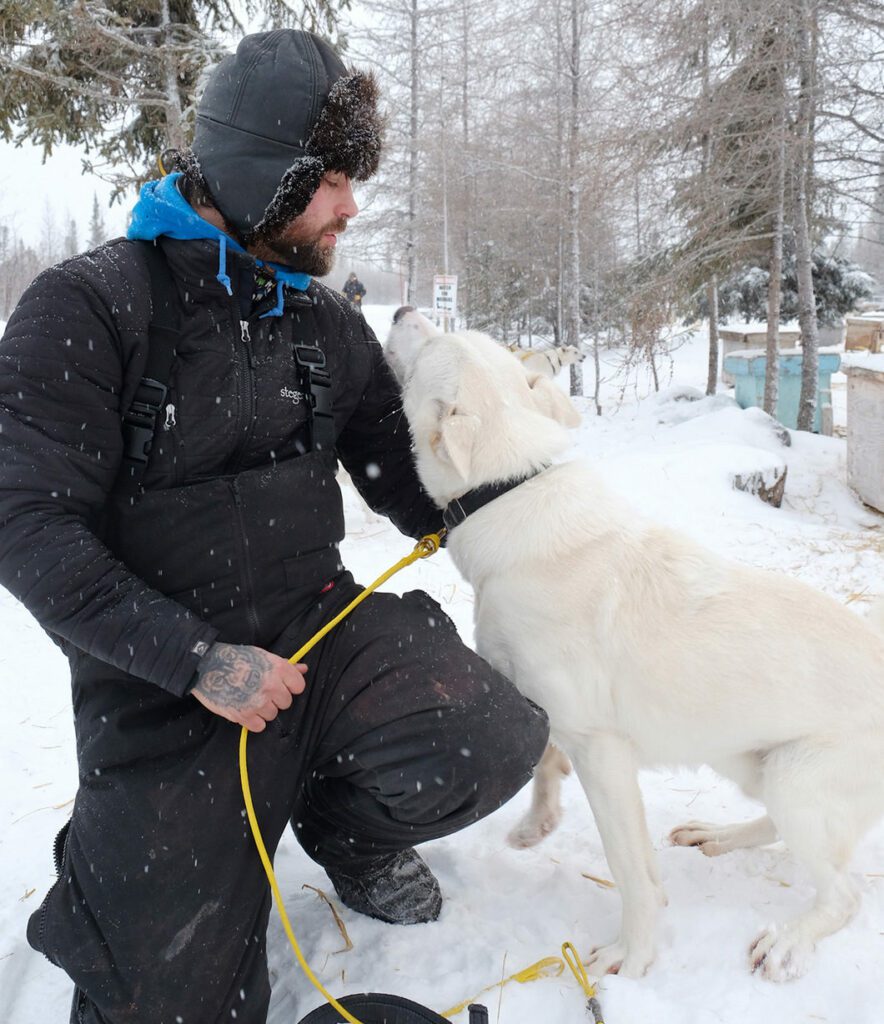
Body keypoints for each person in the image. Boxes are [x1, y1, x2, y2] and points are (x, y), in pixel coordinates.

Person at [0, 29, 548, 1024]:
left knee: (494, 733)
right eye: (330, 181)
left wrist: (538, 513)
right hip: (167, 687)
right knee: (171, 1003)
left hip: (320, 637)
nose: (349, 206)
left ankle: (344, 826)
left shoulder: (323, 325)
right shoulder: (91, 308)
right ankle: (128, 860)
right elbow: (24, 522)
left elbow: (405, 477)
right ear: (263, 175)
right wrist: (197, 660)